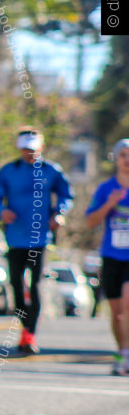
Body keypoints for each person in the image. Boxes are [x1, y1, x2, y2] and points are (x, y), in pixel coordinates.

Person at [0, 128, 73, 355]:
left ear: (41, 148)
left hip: (39, 239)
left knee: (34, 286)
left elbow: (65, 195)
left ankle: (29, 334)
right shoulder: (8, 172)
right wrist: (1, 211)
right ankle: (24, 324)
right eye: (25, 150)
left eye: (33, 150)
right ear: (19, 148)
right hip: (15, 239)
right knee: (16, 284)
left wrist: (59, 213)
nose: (29, 154)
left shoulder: (51, 171)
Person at [84, 138, 129, 376]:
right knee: (117, 311)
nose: (127, 159)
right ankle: (122, 352)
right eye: (123, 154)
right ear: (115, 158)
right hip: (112, 255)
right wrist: (109, 204)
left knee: (128, 300)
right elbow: (90, 221)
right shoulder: (106, 189)